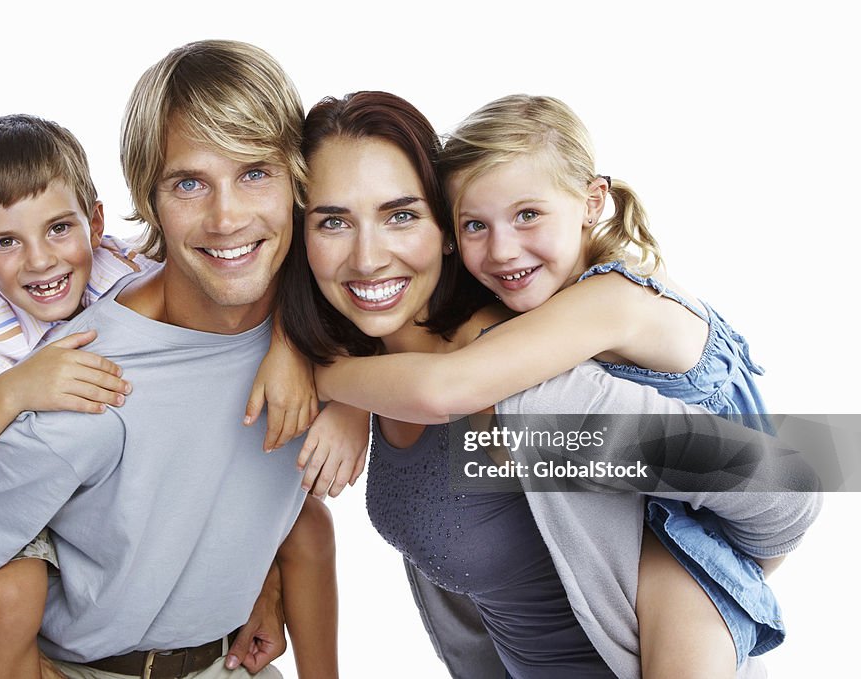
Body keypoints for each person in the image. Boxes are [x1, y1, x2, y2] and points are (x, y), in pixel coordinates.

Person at [279, 90, 821, 678]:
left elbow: (785, 487)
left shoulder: (542, 391)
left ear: (438, 232)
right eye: (332, 221)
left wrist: (710, 572)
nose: (367, 256)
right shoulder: (375, 375)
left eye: (401, 215)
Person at [0, 41, 368, 679]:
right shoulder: (90, 385)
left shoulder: (330, 307)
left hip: (231, 659)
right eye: (188, 183)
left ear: (297, 182)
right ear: (148, 200)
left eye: (255, 172)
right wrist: (27, 662)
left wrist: (342, 388)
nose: (226, 217)